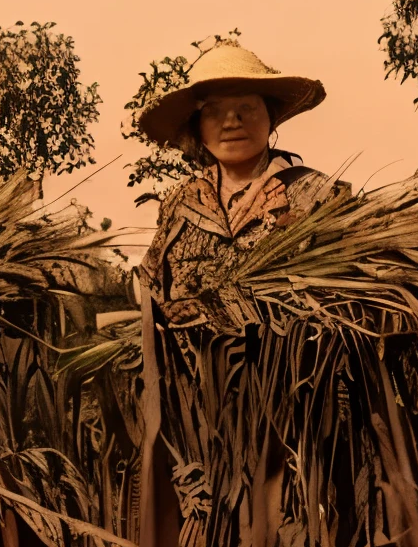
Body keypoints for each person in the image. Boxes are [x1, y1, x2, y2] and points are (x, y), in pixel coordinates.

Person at [136, 42, 333, 332]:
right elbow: (150, 285)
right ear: (198, 127)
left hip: (288, 369)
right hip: (193, 372)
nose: (231, 122)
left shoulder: (315, 193)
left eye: (246, 107)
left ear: (270, 118)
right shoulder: (181, 200)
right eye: (214, 111)